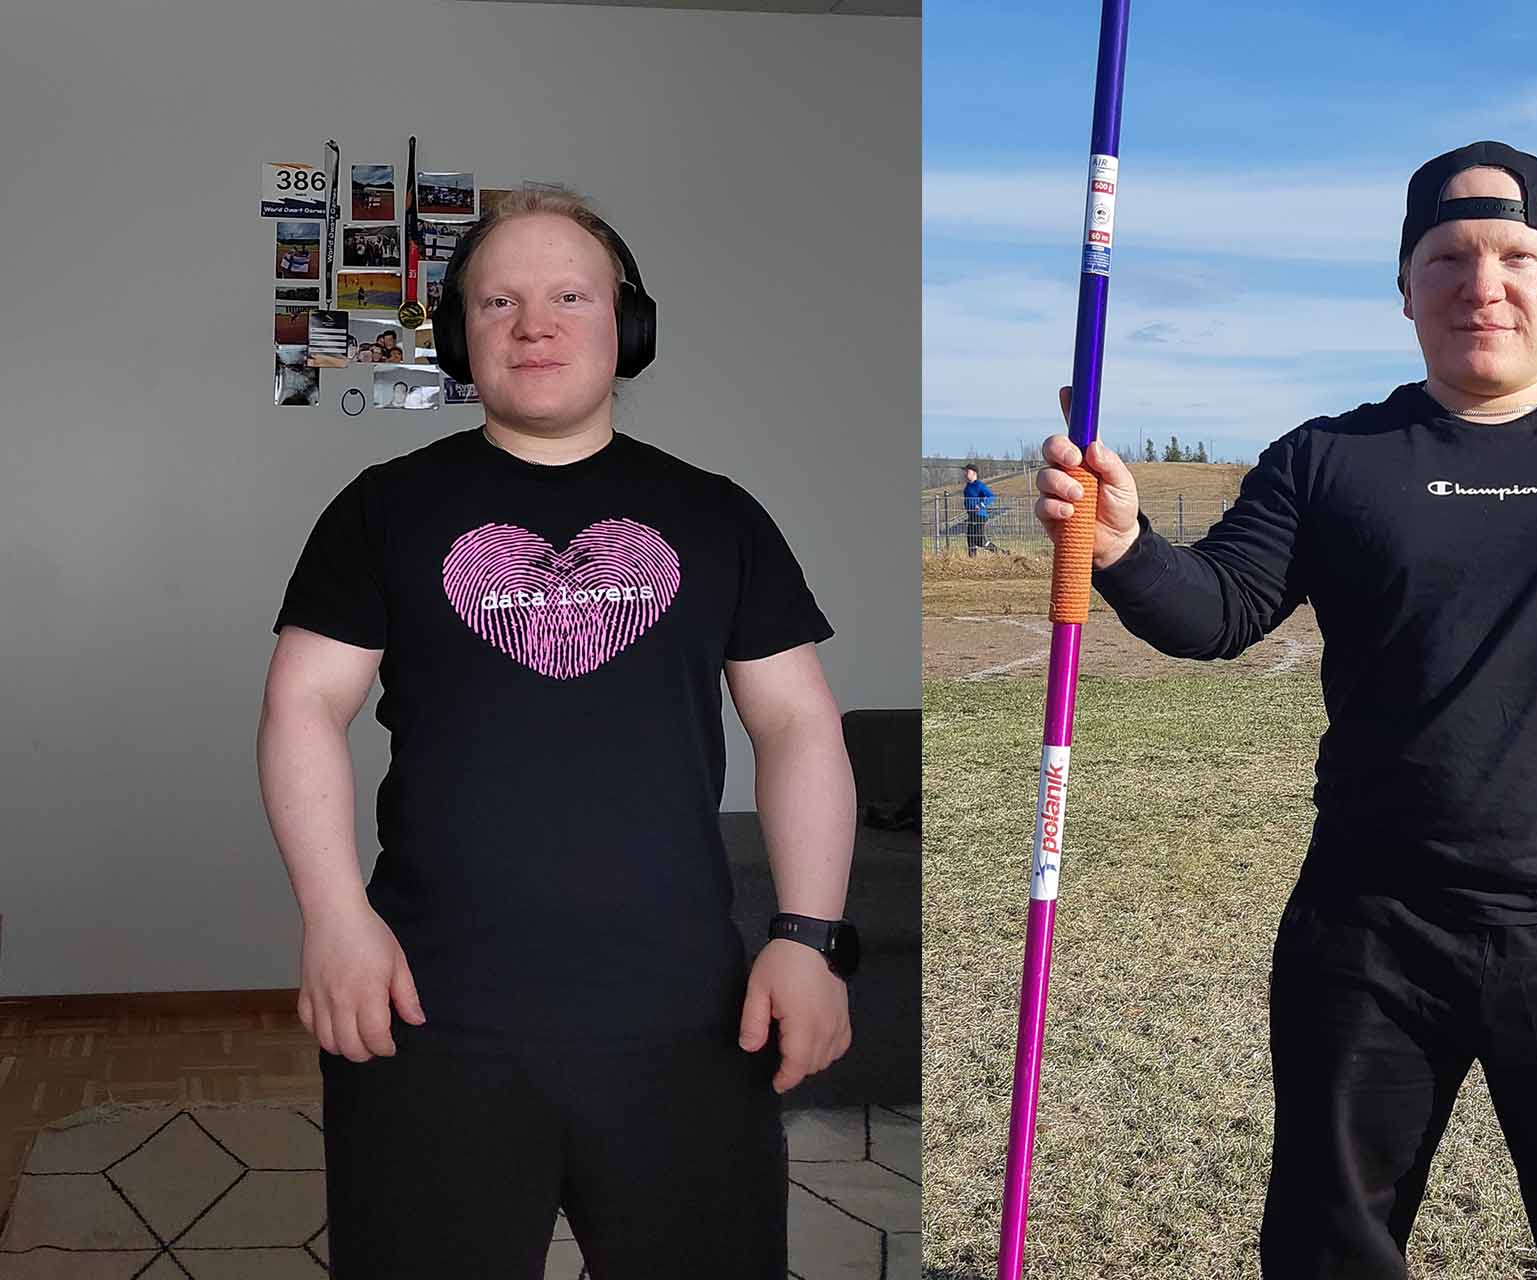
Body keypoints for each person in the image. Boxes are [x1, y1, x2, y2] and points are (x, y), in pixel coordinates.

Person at [1031, 141, 1537, 1279]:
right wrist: (1125, 544)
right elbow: (1216, 610)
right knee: (1333, 1241)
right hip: (1369, 929)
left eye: (1519, 255)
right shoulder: (1331, 459)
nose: (1484, 283)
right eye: (1449, 257)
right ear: (1406, 288)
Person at [260, 184, 858, 1278]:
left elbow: (798, 722)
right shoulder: (379, 509)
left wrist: (810, 936)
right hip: (427, 1006)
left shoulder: (718, 513)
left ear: (628, 327)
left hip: (683, 1016)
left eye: (569, 295)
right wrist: (334, 916)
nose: (534, 324)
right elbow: (304, 703)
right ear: (459, 336)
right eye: (498, 301)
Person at [961, 463, 995, 555]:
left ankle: (1001, 553)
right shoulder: (967, 486)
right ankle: (972, 561)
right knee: (970, 539)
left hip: (979, 515)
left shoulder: (979, 485)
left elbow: (991, 496)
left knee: (979, 540)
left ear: (974, 473)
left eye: (967, 471)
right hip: (971, 516)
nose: (965, 473)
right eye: (965, 471)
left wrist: (981, 505)